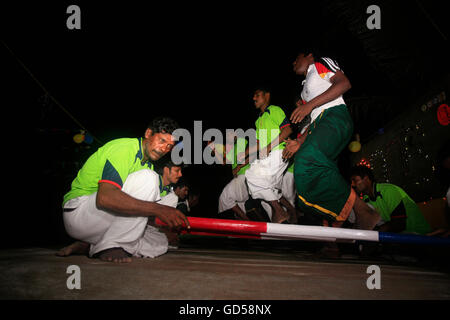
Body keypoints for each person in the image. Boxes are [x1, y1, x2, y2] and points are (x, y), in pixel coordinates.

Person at [57, 117, 190, 263]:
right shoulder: (125, 148)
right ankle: (111, 245)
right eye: (162, 140)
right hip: (80, 212)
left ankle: (90, 245)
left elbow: (140, 214)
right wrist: (159, 209)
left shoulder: (147, 165)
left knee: (160, 242)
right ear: (148, 133)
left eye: (169, 146)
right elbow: (105, 198)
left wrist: (164, 227)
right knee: (149, 178)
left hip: (101, 221)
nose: (164, 148)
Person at [283, 50, 381, 235]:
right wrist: (300, 142)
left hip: (335, 116)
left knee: (307, 160)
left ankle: (363, 211)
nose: (293, 63)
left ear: (309, 56)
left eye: (296, 58)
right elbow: (313, 119)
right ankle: (334, 235)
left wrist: (309, 106)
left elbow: (344, 83)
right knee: (310, 180)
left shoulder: (319, 63)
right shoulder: (304, 90)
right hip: (320, 124)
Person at [243, 87, 297, 224]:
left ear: (267, 95)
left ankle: (279, 211)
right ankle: (290, 210)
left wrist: (268, 147)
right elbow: (260, 143)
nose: (254, 98)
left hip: (279, 152)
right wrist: (244, 153)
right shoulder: (258, 120)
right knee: (269, 188)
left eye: (257, 95)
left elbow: (287, 130)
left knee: (252, 175)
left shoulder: (274, 110)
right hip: (268, 155)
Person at [350, 165, 432, 234]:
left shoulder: (388, 190)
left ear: (366, 178)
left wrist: (374, 234)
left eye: (355, 180)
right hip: (400, 237)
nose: (352, 184)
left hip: (420, 235)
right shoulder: (366, 199)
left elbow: (399, 223)